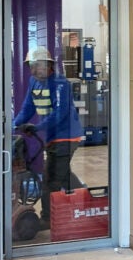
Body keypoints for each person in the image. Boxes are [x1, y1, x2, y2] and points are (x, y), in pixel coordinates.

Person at [14, 46, 83, 228]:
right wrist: (13, 125)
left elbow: (60, 114)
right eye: (31, 66)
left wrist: (37, 128)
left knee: (50, 180)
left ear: (48, 65)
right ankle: (85, 203)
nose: (34, 70)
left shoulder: (60, 83)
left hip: (66, 137)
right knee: (63, 175)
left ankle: (47, 219)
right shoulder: (34, 82)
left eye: (37, 66)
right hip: (52, 137)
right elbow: (28, 107)